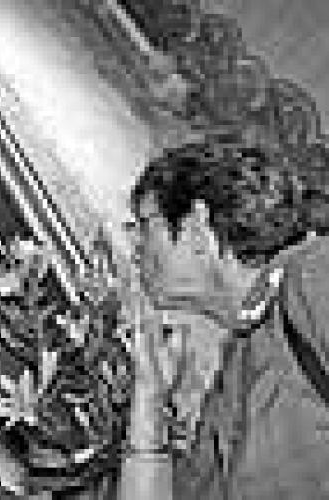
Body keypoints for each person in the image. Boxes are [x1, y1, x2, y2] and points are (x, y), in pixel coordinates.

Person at [124, 138, 329, 499]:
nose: (136, 247)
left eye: (144, 224)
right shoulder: (237, 367)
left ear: (196, 225)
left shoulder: (311, 275)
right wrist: (149, 397)